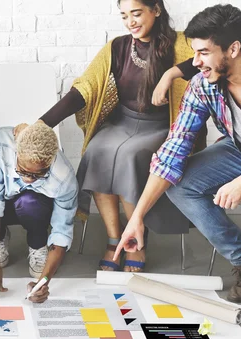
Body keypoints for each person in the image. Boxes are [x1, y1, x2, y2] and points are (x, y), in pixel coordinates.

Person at [30, 0, 204, 273]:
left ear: (156, 10)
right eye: (124, 16)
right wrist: (42, 123)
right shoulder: (118, 47)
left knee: (128, 155)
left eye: (136, 13)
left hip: (162, 126)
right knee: (96, 150)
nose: (130, 22)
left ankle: (136, 238)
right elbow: (84, 88)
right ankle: (115, 238)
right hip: (122, 122)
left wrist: (172, 73)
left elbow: (210, 57)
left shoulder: (182, 43)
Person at [116, 4, 241, 303]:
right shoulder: (204, 86)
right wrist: (137, 217)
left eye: (203, 52)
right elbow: (174, 148)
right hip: (240, 149)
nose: (195, 62)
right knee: (181, 185)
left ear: (233, 49)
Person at [0, 122, 78, 303]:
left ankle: (38, 244)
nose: (28, 179)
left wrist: (43, 282)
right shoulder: (1, 142)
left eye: (38, 175)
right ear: (16, 152)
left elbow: (61, 233)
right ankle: (0, 236)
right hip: (5, 198)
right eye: (22, 170)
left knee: (28, 201)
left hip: (35, 209)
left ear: (51, 161)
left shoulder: (65, 179)